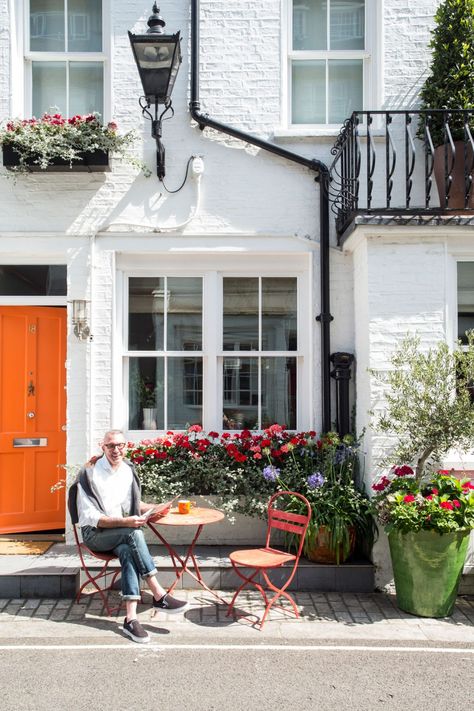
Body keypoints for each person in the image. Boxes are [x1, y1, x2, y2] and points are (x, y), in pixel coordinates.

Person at [68, 429, 189, 644]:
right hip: (95, 534)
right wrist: (126, 522)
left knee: (127, 549)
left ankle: (130, 619)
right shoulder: (90, 474)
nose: (116, 450)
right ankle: (158, 594)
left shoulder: (126, 471)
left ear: (126, 447)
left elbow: (130, 506)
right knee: (132, 532)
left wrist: (157, 508)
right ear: (102, 446)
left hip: (117, 534)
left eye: (120, 445)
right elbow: (92, 518)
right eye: (111, 446)